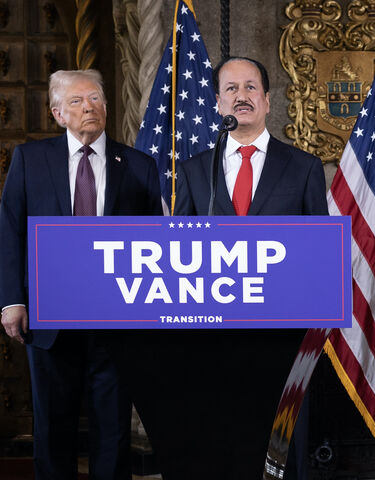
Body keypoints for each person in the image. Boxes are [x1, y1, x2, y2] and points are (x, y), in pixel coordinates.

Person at [168, 57, 329, 479]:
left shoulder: (304, 167)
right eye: (232, 89)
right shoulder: (193, 170)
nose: (242, 96)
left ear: (268, 101)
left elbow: (318, 251)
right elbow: (177, 250)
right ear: (218, 102)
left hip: (283, 327)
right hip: (213, 326)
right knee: (220, 432)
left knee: (283, 436)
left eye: (251, 88)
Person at [0, 69, 163, 480]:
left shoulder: (141, 165)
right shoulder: (30, 159)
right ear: (57, 113)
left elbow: (154, 243)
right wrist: (13, 300)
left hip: (117, 321)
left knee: (113, 432)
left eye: (95, 100)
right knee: (53, 428)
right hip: (48, 317)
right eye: (76, 101)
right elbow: (10, 229)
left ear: (107, 107)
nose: (89, 107)